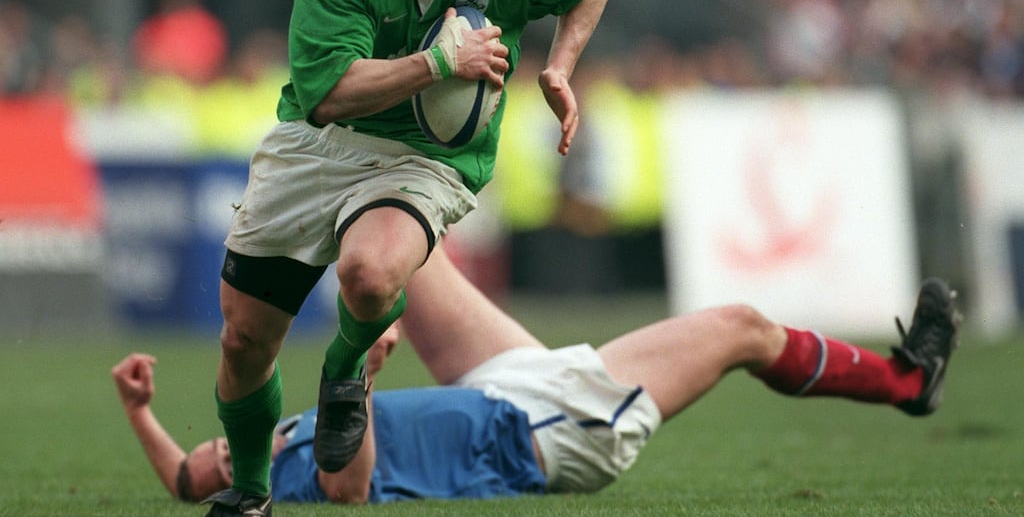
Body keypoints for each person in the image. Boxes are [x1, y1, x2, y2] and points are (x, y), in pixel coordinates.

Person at [204, 0, 613, 515]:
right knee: (244, 339)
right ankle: (249, 492)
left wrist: (561, 66)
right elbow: (328, 97)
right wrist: (439, 63)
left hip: (427, 161)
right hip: (318, 144)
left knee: (369, 272)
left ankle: (344, 371)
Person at [114, 247, 961, 507]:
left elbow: (183, 479)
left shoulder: (256, 452)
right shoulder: (304, 469)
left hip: (495, 386)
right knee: (742, 329)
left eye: (222, 453)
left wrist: (139, 412)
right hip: (547, 433)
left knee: (397, 251)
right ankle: (902, 382)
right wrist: (357, 378)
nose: (223, 454)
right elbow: (349, 487)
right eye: (232, 461)